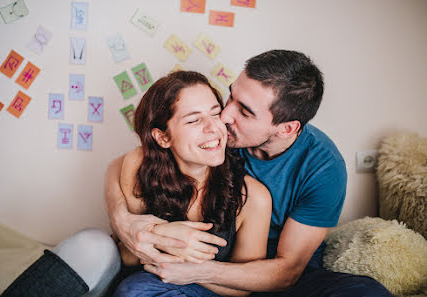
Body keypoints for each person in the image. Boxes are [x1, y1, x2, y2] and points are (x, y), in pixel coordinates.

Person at [106, 50, 394, 296]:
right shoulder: (217, 138)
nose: (225, 116)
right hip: (217, 258)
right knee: (139, 289)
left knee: (367, 292)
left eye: (245, 111)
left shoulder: (323, 168)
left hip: (276, 276)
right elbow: (127, 163)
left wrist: (194, 269)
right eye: (231, 96)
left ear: (286, 128)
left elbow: (287, 271)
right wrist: (125, 221)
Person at [112, 71, 272, 296]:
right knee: (135, 286)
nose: (213, 128)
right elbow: (126, 255)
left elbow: (242, 290)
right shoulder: (138, 168)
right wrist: (163, 236)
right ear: (163, 137)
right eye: (194, 120)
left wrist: (191, 271)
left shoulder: (253, 197)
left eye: (215, 114)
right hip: (144, 285)